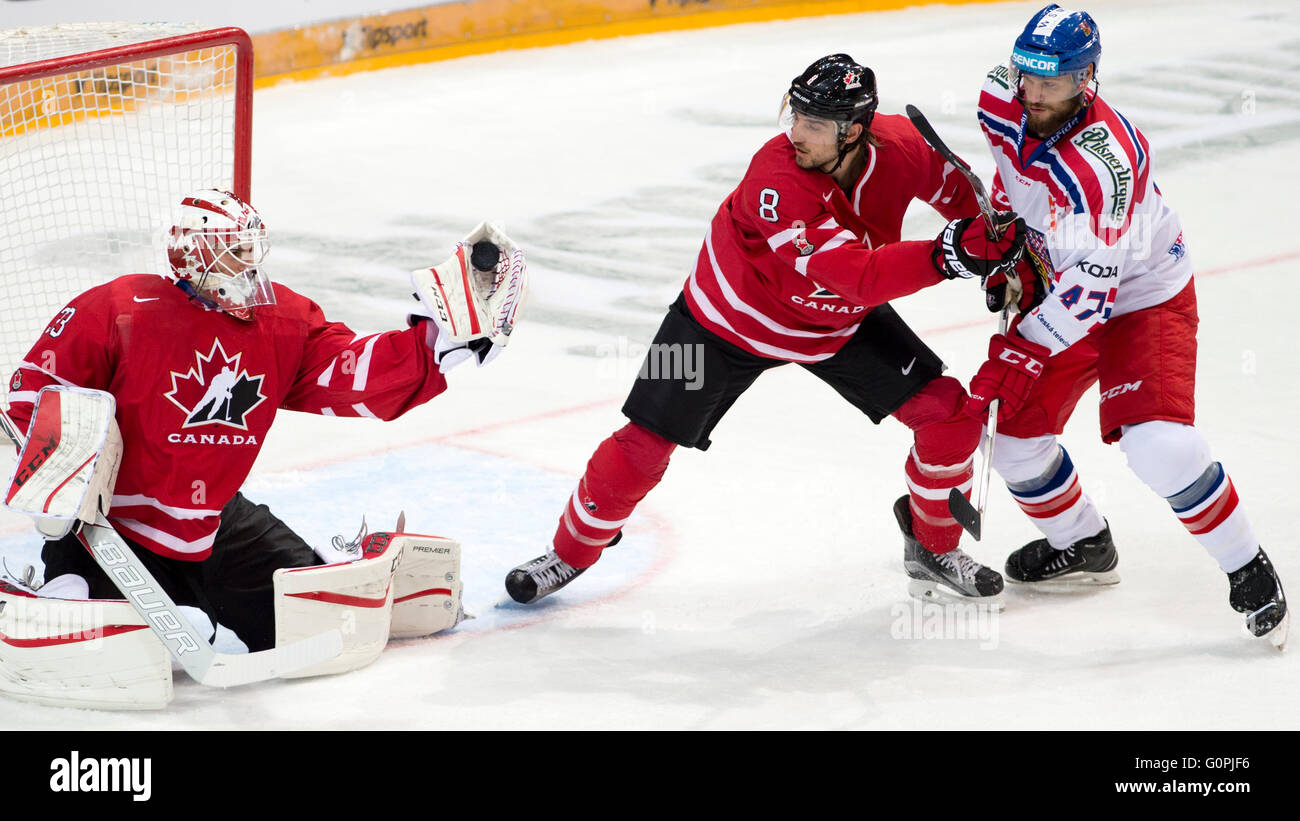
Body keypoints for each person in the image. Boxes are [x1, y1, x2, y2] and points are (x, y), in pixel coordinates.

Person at [505, 54, 1037, 607]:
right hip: (722, 320)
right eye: (795, 116)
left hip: (833, 324)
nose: (796, 134)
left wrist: (1002, 255)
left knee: (949, 417)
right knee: (643, 443)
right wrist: (954, 253)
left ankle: (932, 545)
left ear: (855, 130)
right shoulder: (775, 179)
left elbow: (968, 206)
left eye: (813, 124)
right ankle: (569, 552)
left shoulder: (901, 148)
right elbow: (860, 276)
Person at [2, 189, 520, 652]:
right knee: (134, 646)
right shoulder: (120, 307)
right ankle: (43, 596)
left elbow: (349, 373)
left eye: (252, 247)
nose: (249, 261)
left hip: (215, 521)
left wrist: (435, 343)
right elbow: (34, 393)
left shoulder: (282, 320)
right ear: (193, 255)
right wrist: (64, 474)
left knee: (318, 624)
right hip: (112, 529)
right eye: (235, 248)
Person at [968, 4, 1287, 643]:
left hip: (1142, 295)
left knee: (1155, 444)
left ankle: (1246, 563)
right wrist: (1012, 245)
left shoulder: (1103, 166)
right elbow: (1010, 174)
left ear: (1088, 78)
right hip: (1069, 280)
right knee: (1008, 441)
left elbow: (1090, 298)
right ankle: (1083, 543)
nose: (1031, 93)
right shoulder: (1001, 94)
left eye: (1050, 82)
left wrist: (1022, 348)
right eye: (1025, 75)